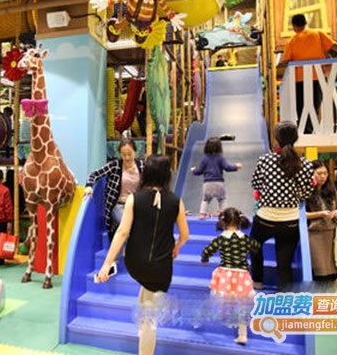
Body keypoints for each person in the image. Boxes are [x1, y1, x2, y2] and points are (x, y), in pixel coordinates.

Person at [97, 155, 189, 355]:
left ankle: (141, 327)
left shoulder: (134, 198)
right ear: (166, 175)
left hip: (135, 263)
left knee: (146, 292)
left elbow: (122, 233)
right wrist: (177, 247)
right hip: (161, 268)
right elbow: (185, 235)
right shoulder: (176, 202)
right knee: (150, 318)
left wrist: (107, 264)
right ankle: (145, 334)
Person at [250, 121, 314, 290]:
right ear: (295, 139)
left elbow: (256, 184)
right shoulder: (305, 164)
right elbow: (306, 193)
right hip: (290, 221)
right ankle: (284, 294)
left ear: (276, 139)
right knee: (284, 263)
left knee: (254, 245)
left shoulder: (265, 160)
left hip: (265, 219)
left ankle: (257, 280)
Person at [280, 14, 337, 134]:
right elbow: (334, 45)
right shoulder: (317, 34)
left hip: (299, 80)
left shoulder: (291, 41)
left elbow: (286, 61)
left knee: (301, 107)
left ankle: (303, 131)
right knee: (314, 105)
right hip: (316, 77)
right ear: (306, 22)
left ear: (294, 26)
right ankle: (310, 131)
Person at [201, 207, 260, 345]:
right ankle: (242, 334)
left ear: (223, 222)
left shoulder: (221, 239)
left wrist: (204, 259)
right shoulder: (245, 239)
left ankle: (225, 317)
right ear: (240, 222)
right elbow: (256, 247)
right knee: (242, 305)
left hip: (225, 276)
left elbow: (207, 251)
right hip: (242, 276)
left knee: (224, 298)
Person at [85, 138, 145, 240]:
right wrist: (89, 186)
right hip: (119, 205)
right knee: (127, 226)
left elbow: (150, 182)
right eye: (123, 154)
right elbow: (94, 174)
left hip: (136, 205)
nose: (127, 157)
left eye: (129, 154)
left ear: (135, 151)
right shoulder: (115, 166)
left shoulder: (142, 166)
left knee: (141, 226)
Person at [306, 160, 337, 282]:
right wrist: (321, 214)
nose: (323, 176)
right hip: (314, 233)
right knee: (319, 269)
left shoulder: (332, 191)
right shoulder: (306, 191)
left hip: (331, 233)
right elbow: (301, 215)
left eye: (325, 173)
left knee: (332, 269)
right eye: (319, 173)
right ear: (311, 174)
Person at [191, 137, 242, 219]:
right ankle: (224, 214)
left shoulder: (205, 159)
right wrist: (236, 166)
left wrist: (194, 170)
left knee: (205, 200)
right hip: (219, 183)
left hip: (207, 183)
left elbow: (199, 171)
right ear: (219, 147)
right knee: (222, 200)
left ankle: (202, 214)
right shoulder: (220, 158)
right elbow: (227, 167)